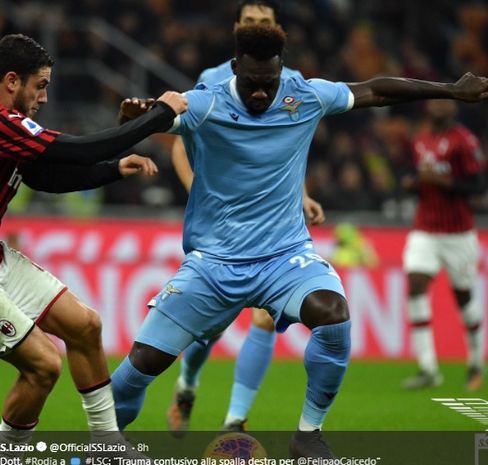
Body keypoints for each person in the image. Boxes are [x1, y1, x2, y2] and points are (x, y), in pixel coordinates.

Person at [113, 24, 488, 458]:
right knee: (139, 368)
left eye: (269, 84)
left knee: (334, 316)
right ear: (235, 68)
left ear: (281, 71)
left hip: (285, 258)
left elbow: (375, 91)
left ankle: (308, 436)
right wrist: (137, 117)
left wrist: (449, 90)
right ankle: (106, 442)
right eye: (252, 84)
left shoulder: (304, 95)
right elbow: (159, 118)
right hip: (214, 264)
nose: (261, 94)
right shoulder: (208, 100)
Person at [0, 34, 186, 449]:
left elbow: (45, 177)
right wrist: (159, 114)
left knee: (85, 325)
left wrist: (113, 169)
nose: (42, 97)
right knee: (43, 366)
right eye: (39, 85)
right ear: (11, 81)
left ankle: (107, 447)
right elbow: (73, 150)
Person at [166, 0, 326, 436]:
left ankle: (235, 420)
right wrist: (198, 193)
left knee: (265, 318)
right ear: (238, 29)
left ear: (278, 31)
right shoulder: (213, 81)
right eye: (251, 21)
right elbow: (182, 143)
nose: (257, 26)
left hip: (275, 230)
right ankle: (188, 382)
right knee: (209, 328)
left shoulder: (293, 83)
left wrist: (302, 197)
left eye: (265, 22)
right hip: (221, 228)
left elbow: (285, 152)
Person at [400, 99, 488, 391]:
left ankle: (476, 359)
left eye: (444, 102)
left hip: (458, 233)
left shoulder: (464, 140)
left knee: (463, 297)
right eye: (435, 100)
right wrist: (414, 184)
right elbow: (420, 179)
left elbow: (479, 187)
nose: (438, 106)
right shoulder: (420, 139)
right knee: (415, 285)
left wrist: (441, 180)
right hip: (425, 228)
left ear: (453, 108)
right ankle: (427, 368)